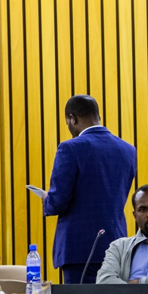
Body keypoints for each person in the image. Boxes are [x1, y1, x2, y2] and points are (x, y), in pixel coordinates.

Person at [41, 95, 137, 283]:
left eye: (67, 122)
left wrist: (47, 199)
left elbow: (58, 202)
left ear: (72, 118)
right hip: (117, 244)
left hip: (79, 251)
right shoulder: (128, 149)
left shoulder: (70, 148)